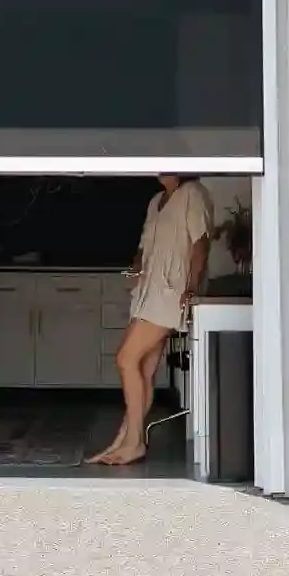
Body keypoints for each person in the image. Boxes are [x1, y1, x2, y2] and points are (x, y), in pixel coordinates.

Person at [87, 174, 212, 466]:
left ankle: (135, 441)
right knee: (143, 366)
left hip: (170, 293)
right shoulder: (156, 201)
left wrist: (192, 287)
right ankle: (126, 439)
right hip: (147, 291)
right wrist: (136, 266)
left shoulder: (193, 194)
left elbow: (201, 244)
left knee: (125, 359)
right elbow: (145, 247)